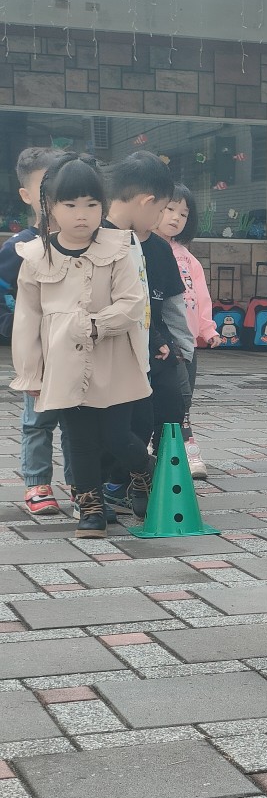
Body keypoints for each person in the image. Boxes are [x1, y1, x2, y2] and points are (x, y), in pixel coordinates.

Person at [9, 153, 152, 539]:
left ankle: (145, 469)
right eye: (70, 205)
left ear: (102, 207)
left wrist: (95, 325)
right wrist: (30, 373)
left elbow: (132, 302)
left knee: (116, 436)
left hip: (114, 360)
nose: (81, 215)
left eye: (91, 205)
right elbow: (27, 320)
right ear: (50, 207)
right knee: (79, 440)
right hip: (64, 366)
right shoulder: (35, 256)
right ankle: (91, 506)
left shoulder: (118, 247)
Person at [100, 151, 188, 517]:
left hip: (146, 351)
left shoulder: (149, 246)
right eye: (163, 209)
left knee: (155, 412)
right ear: (147, 201)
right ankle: (99, 488)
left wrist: (169, 345)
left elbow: (156, 306)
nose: (164, 218)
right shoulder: (98, 240)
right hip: (106, 353)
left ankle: (141, 479)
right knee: (106, 428)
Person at [0, 147, 74, 516]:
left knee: (78, 421)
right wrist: (10, 323)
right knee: (38, 421)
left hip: (78, 346)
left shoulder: (86, 242)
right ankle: (37, 483)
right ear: (26, 195)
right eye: (44, 187)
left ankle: (81, 482)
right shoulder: (19, 247)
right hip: (39, 351)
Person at [155, 184, 221, 480]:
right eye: (170, 209)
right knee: (168, 399)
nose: (175, 218)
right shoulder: (146, 249)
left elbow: (201, 297)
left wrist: (207, 328)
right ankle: (173, 447)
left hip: (187, 343)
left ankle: (184, 449)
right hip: (160, 340)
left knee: (184, 401)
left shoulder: (187, 258)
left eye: (183, 214)